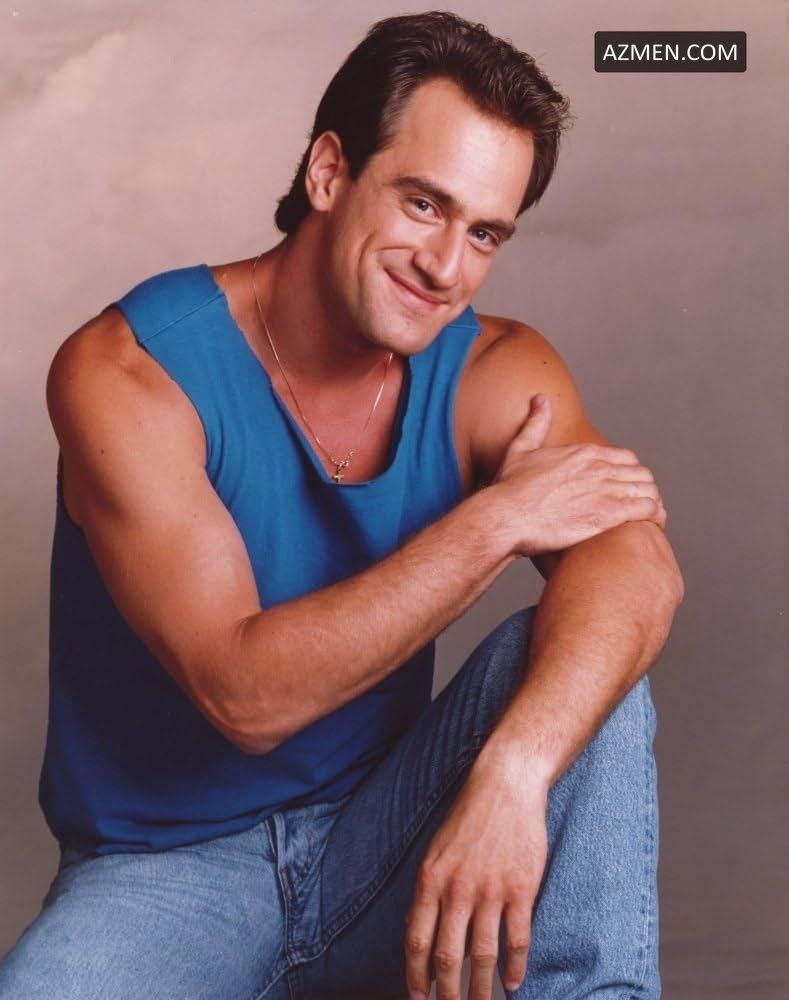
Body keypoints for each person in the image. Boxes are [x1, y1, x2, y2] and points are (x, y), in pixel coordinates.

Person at [0, 10, 683, 1000]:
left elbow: (637, 566)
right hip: (163, 877)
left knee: (585, 656)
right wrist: (497, 520)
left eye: (483, 232)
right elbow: (246, 697)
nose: (445, 266)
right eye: (422, 203)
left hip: (387, 836)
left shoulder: (495, 368)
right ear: (329, 172)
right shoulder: (132, 371)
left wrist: (515, 773)